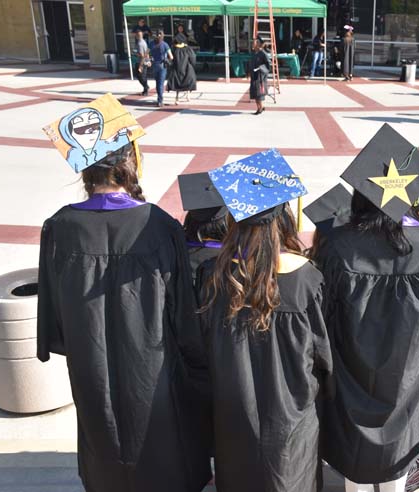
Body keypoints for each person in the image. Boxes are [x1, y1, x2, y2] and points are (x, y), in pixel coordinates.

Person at [37, 102, 212, 492]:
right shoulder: (159, 225)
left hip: (90, 362)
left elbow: (54, 312)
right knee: (161, 444)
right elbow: (182, 312)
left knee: (102, 435)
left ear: (86, 168)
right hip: (152, 363)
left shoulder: (60, 228)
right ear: (129, 161)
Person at [319, 124, 419, 492]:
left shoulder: (336, 246)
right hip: (407, 370)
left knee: (356, 463)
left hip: (351, 368)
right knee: (396, 462)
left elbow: (324, 319)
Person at [195, 150, 332, 492]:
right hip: (292, 422)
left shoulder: (213, 276)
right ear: (283, 218)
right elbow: (323, 358)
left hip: (233, 418)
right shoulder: (305, 279)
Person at [168, 33, 197, 104]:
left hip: (177, 68)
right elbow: (193, 58)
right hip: (187, 68)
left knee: (177, 83)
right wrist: (193, 65)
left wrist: (171, 65)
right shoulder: (188, 48)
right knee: (188, 81)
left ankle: (177, 98)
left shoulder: (174, 48)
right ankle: (188, 95)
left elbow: (170, 59)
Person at [150, 30, 173, 108]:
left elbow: (147, 54)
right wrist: (168, 60)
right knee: (161, 83)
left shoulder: (151, 43)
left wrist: (150, 59)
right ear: (163, 36)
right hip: (162, 65)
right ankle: (160, 101)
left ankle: (159, 99)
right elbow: (171, 56)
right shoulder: (165, 44)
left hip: (154, 65)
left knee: (157, 83)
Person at [249, 37, 270, 115]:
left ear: (258, 44)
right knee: (254, 92)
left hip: (260, 76)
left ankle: (259, 108)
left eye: (254, 43)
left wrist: (260, 68)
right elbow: (251, 63)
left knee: (258, 93)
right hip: (254, 75)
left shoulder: (263, 53)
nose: (252, 45)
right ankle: (261, 106)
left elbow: (268, 65)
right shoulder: (254, 53)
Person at [134, 29, 150, 96]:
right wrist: (148, 60)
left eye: (139, 35)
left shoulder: (140, 43)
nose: (138, 36)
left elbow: (142, 55)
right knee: (143, 76)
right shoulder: (144, 42)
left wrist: (136, 54)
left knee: (140, 76)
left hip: (141, 62)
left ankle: (146, 87)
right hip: (144, 62)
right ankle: (145, 89)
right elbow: (147, 52)